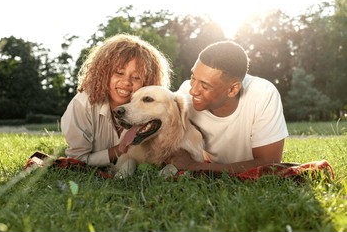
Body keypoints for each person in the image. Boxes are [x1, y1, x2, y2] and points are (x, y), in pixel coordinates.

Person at [168, 40, 289, 174]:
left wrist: (195, 166)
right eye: (193, 78)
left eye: (204, 85)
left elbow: (270, 163)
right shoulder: (185, 94)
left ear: (232, 89)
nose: (193, 91)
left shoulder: (263, 94)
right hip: (209, 163)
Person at [61, 34, 171, 166]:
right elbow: (77, 160)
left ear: (148, 82)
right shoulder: (83, 105)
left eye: (136, 77)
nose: (126, 82)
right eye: (119, 73)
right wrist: (119, 150)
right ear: (103, 73)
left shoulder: (154, 115)